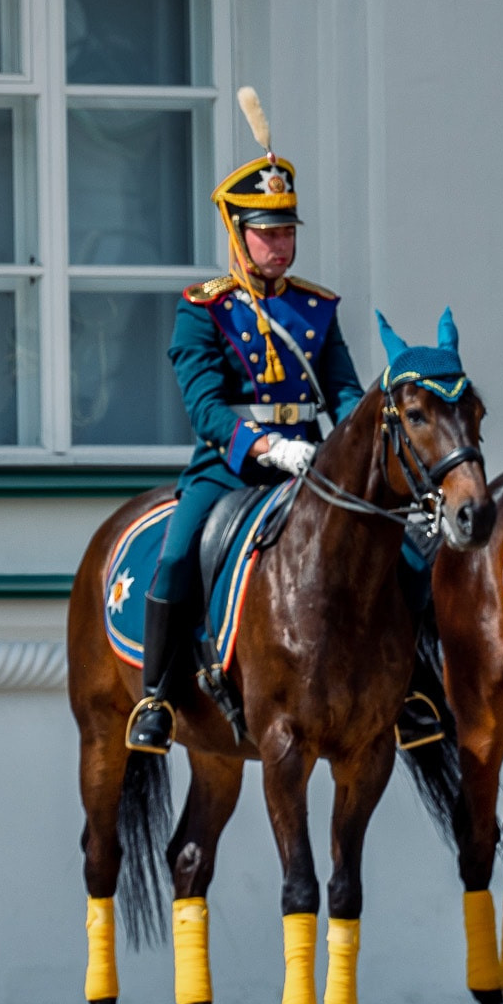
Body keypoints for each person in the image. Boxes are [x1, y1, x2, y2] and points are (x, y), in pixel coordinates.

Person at [130, 101, 364, 754]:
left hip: (310, 463)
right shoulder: (204, 309)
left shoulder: (317, 308)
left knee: (391, 543)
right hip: (230, 465)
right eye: (267, 233)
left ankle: (416, 687)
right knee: (177, 554)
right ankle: (156, 696)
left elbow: (345, 393)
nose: (280, 244)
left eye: (287, 231)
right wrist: (265, 446)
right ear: (238, 234)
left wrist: (349, 446)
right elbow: (205, 408)